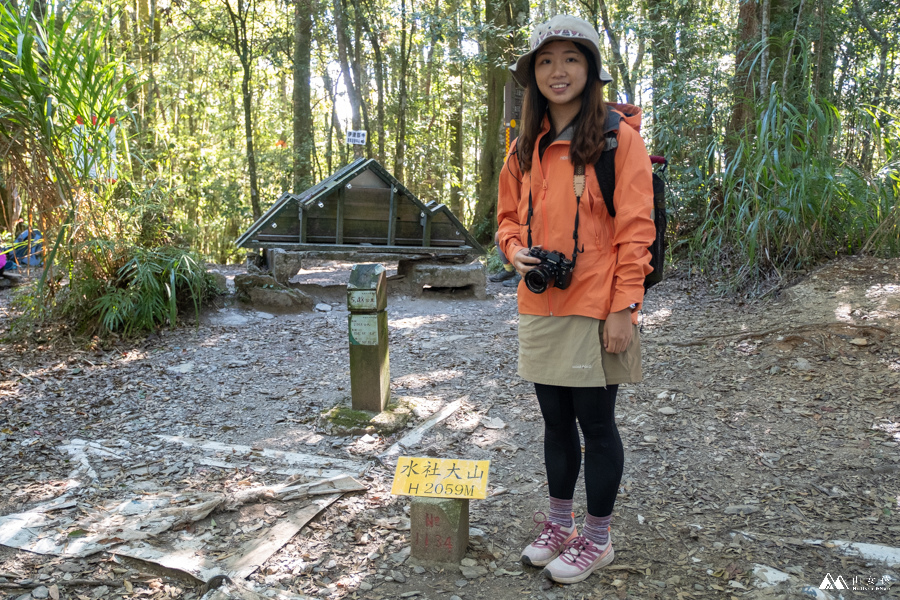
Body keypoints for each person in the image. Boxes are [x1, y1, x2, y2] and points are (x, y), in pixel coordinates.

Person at [496, 15, 655, 584]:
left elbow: (638, 230)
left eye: (570, 59)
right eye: (545, 61)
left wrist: (624, 309)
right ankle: (560, 524)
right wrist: (514, 252)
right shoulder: (523, 146)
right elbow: (507, 220)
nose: (557, 71)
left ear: (590, 69)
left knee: (597, 423)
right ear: (532, 75)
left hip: (596, 304)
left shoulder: (619, 141)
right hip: (539, 304)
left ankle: (598, 537)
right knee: (554, 422)